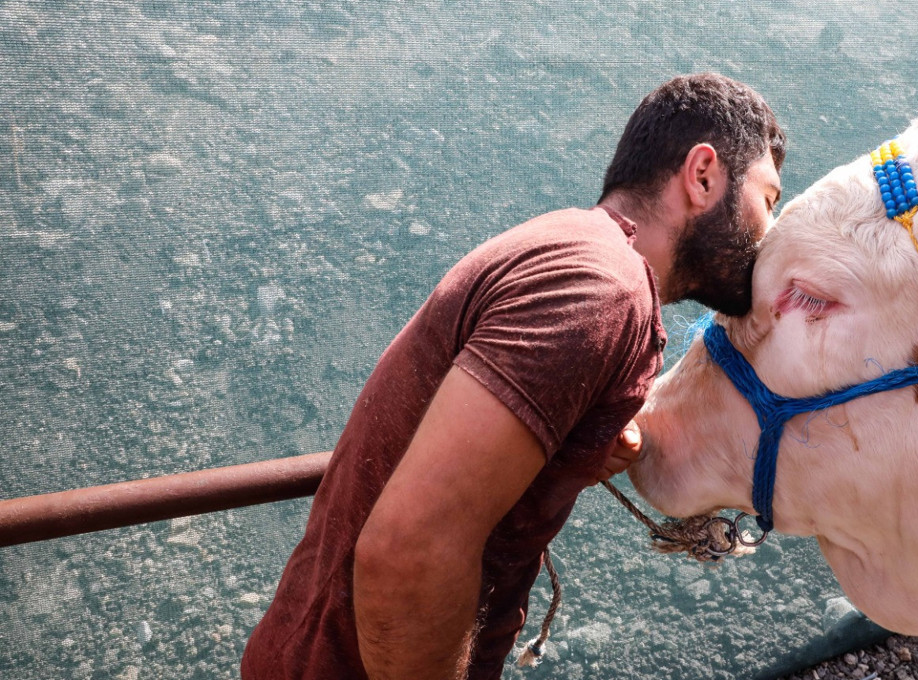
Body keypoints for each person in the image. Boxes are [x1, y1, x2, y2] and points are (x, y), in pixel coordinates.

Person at [240, 72, 786, 680]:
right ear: (703, 174)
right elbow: (408, 554)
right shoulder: (604, 291)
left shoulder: (571, 248)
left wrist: (575, 443)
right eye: (768, 199)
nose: (771, 232)